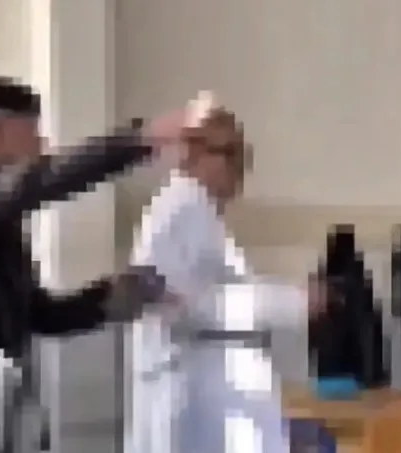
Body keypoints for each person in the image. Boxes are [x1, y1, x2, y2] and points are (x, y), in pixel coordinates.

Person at [0, 75, 190, 452]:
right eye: (33, 130)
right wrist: (140, 140)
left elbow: (41, 315)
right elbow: (39, 180)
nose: (41, 144)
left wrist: (109, 297)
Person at [129, 92, 327, 453]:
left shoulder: (199, 214)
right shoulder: (179, 211)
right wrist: (291, 303)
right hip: (192, 400)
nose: (240, 171)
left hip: (209, 396)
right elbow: (187, 303)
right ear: (197, 154)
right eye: (232, 154)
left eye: (243, 156)